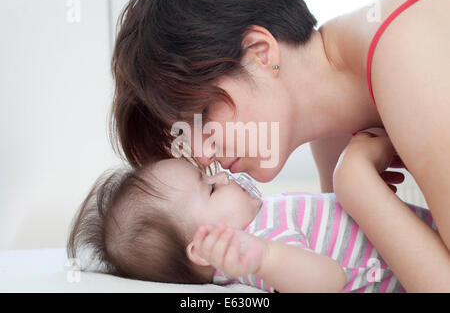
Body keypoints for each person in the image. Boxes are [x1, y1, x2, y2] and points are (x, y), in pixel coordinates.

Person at [109, 0, 450, 290]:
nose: (200, 154)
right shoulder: (332, 131)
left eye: (202, 113)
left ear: (260, 52)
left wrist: (357, 186)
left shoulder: (406, 55)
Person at [67, 136, 437, 292]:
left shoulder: (259, 224)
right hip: (425, 264)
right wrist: (265, 257)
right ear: (203, 247)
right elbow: (328, 281)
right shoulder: (256, 251)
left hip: (422, 235)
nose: (223, 174)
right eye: (210, 187)